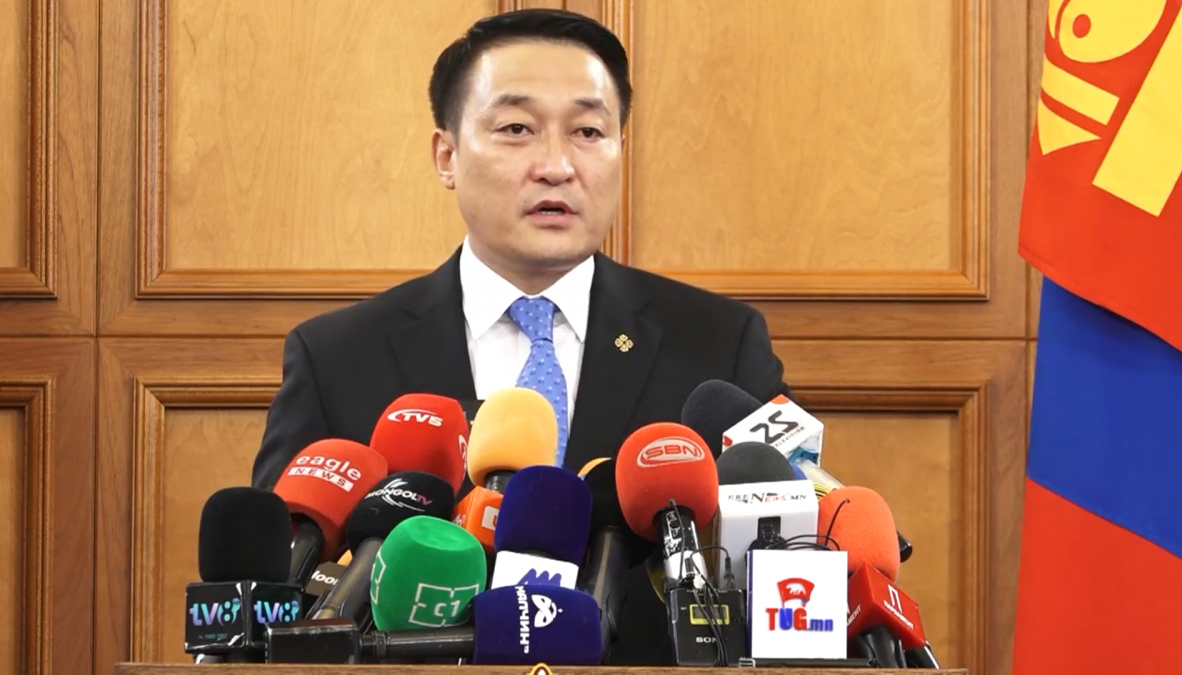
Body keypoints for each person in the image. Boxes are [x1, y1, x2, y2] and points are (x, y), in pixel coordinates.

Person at [251, 8, 790, 664]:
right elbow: (278, 594)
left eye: (588, 131)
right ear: (446, 155)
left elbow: (789, 562)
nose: (557, 166)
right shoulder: (337, 357)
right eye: (516, 129)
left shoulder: (721, 345)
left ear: (621, 149)